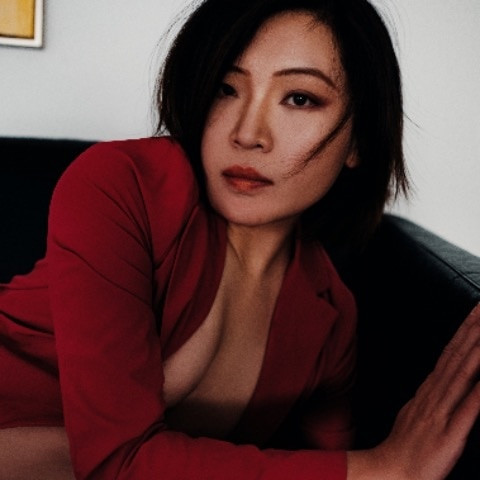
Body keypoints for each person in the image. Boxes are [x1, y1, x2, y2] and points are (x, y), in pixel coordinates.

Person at [0, 0, 479, 479]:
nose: (248, 134)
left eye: (300, 98)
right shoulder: (127, 186)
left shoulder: (330, 320)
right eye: (225, 89)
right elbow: (115, 463)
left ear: (360, 141)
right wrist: (385, 468)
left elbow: (332, 465)